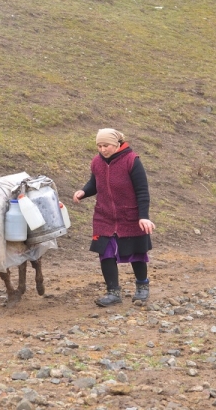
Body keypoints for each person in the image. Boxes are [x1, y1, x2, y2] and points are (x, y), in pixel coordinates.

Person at [72, 128, 155, 307]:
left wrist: (143, 216)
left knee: (137, 253)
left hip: (130, 216)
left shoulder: (132, 160)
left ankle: (142, 286)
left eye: (106, 145)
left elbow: (142, 191)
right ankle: (113, 292)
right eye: (99, 146)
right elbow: (94, 183)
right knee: (105, 253)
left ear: (117, 144)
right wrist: (83, 192)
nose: (102, 149)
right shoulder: (97, 162)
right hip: (104, 216)